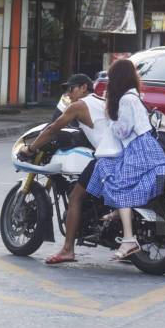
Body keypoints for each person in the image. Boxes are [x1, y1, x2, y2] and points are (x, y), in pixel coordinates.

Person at [19, 73, 108, 264]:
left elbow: (53, 129)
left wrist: (31, 148)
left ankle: (68, 249)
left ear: (83, 87)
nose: (69, 93)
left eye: (72, 88)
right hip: (125, 153)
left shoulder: (78, 106)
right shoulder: (102, 101)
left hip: (108, 157)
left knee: (76, 197)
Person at [86, 59, 165, 260]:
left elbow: (123, 131)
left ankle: (129, 239)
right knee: (122, 181)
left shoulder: (125, 100)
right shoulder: (136, 96)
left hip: (137, 149)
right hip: (149, 148)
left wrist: (109, 118)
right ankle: (118, 212)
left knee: (116, 182)